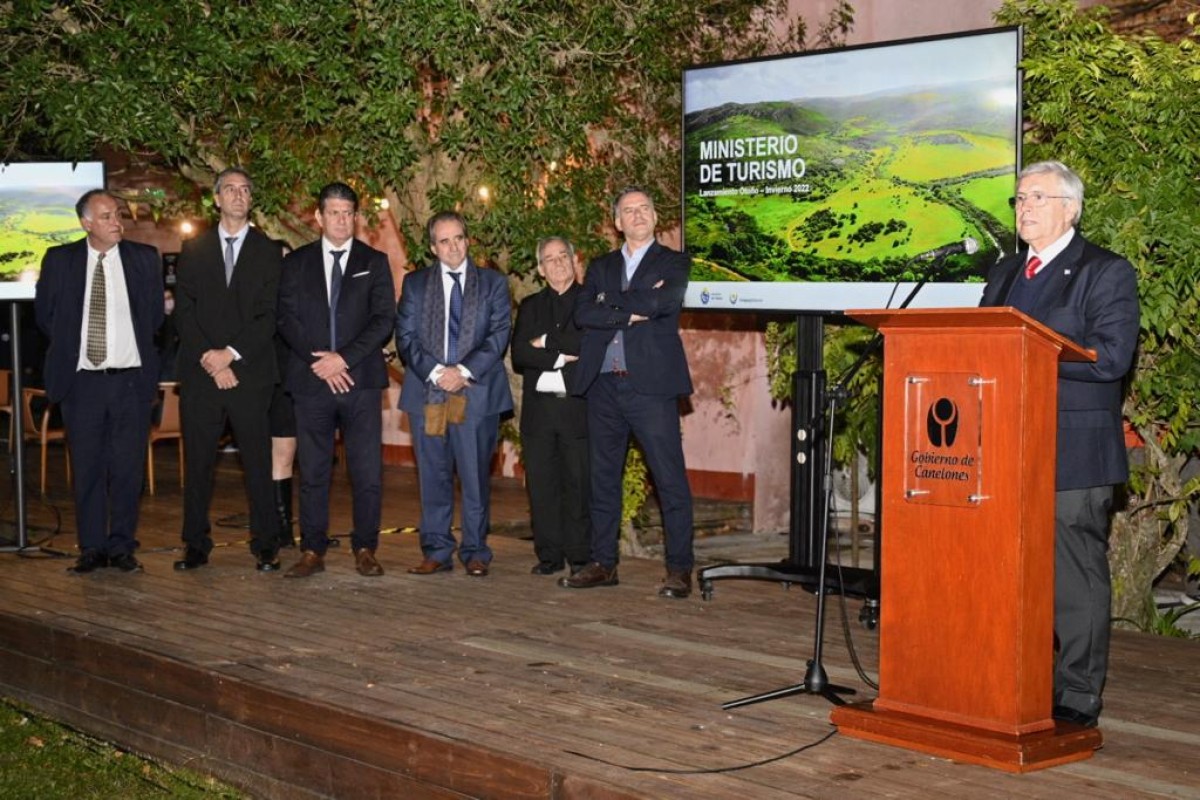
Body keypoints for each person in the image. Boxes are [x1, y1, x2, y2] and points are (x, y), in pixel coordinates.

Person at [980, 160, 1139, 728]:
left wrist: (1030, 348)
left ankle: (1077, 695)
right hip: (1003, 447)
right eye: (1019, 198)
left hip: (1073, 451)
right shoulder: (1002, 273)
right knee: (1009, 573)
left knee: (1074, 580)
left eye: (1037, 197)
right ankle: (1010, 679)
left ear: (1070, 208)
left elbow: (1111, 358)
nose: (1024, 207)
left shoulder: (1104, 272)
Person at [561, 187, 696, 598]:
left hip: (651, 388)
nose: (637, 216)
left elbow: (664, 300)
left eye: (644, 209)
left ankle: (679, 569)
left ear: (655, 217)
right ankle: (604, 563)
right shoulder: (600, 266)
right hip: (603, 385)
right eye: (628, 211)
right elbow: (583, 312)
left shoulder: (674, 262)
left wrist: (613, 305)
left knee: (669, 479)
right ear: (616, 222)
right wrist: (634, 307)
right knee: (603, 478)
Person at [34, 189, 163, 574]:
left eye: (117, 214)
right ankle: (91, 546)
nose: (116, 222)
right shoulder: (61, 260)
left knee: (127, 469)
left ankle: (122, 546)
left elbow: (154, 318)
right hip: (82, 383)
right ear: (86, 223)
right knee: (87, 468)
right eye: (106, 216)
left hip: (129, 383)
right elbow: (46, 317)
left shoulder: (143, 259)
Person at [277, 182, 395, 578]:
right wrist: (322, 362)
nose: (342, 220)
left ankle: (365, 547)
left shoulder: (374, 261)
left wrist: (342, 358)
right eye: (334, 213)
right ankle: (312, 550)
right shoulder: (295, 263)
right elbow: (286, 319)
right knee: (312, 471)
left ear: (356, 217)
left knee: (366, 472)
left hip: (360, 381)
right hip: (312, 382)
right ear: (319, 217)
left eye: (349, 213)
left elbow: (383, 320)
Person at [172, 167, 283, 573]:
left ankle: (267, 544)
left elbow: (268, 316)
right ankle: (195, 545)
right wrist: (212, 359)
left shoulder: (269, 251)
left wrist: (231, 354)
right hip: (203, 374)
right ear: (216, 199)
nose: (238, 195)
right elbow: (184, 313)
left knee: (257, 462)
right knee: (199, 463)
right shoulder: (193, 249)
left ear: (251, 199)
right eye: (230, 189)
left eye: (245, 189)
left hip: (250, 374)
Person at [395, 211, 513, 577]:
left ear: (468, 239)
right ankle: (436, 549)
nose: (453, 246)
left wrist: (461, 371)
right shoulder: (415, 284)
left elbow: (498, 335)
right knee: (433, 474)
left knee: (475, 475)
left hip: (476, 393)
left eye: (459, 238)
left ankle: (476, 550)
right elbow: (406, 337)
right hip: (427, 392)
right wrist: (436, 372)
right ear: (433, 247)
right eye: (444, 241)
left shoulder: (492, 283)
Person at [511, 236, 590, 575]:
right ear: (540, 269)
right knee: (542, 487)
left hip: (577, 409)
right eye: (549, 259)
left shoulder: (589, 302)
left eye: (563, 257)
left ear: (574, 261)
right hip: (539, 413)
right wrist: (560, 357)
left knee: (579, 485)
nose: (557, 263)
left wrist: (544, 343)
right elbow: (519, 355)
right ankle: (549, 556)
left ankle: (581, 556)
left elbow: (586, 345)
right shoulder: (530, 306)